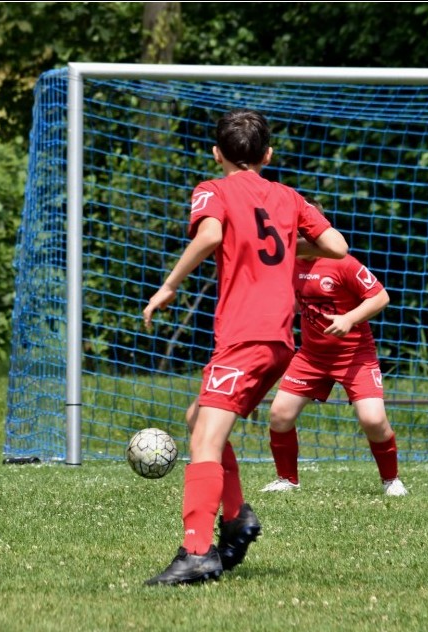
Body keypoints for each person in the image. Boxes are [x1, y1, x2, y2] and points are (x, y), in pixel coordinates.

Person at [140, 109, 348, 586]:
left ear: (217, 154)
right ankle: (236, 518)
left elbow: (211, 234)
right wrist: (290, 245)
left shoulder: (212, 189)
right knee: (200, 420)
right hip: (277, 338)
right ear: (268, 155)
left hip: (244, 335)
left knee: (204, 441)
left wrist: (170, 286)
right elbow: (336, 246)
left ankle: (196, 552)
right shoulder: (289, 196)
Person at [264, 199, 407, 496]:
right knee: (279, 416)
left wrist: (349, 318)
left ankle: (391, 481)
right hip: (312, 356)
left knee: (373, 420)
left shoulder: (343, 263)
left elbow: (381, 297)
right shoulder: (287, 263)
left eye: (294, 232)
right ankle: (287, 480)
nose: (286, 238)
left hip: (355, 356)